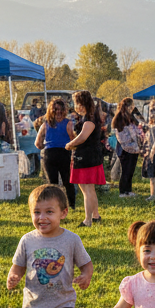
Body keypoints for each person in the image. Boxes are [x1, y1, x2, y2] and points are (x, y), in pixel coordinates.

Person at [65, 90, 104, 226]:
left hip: (87, 156)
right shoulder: (87, 117)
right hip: (88, 155)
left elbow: (83, 137)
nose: (74, 105)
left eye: (76, 102)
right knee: (88, 188)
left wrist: (70, 144)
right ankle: (95, 215)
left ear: (82, 103)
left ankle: (87, 220)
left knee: (87, 188)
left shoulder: (89, 119)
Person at [34, 98, 77, 210]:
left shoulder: (46, 124)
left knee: (52, 183)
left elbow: (37, 143)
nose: (58, 112)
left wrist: (46, 146)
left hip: (49, 154)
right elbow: (73, 140)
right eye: (56, 109)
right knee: (68, 181)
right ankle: (71, 205)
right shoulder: (69, 123)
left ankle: (54, 206)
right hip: (63, 153)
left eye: (59, 109)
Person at [111, 97, 143, 198]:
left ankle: (128, 190)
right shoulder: (120, 119)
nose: (132, 108)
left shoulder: (131, 117)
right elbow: (122, 136)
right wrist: (135, 139)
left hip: (134, 147)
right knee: (126, 170)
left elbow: (136, 129)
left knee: (130, 170)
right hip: (125, 148)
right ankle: (123, 191)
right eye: (130, 106)